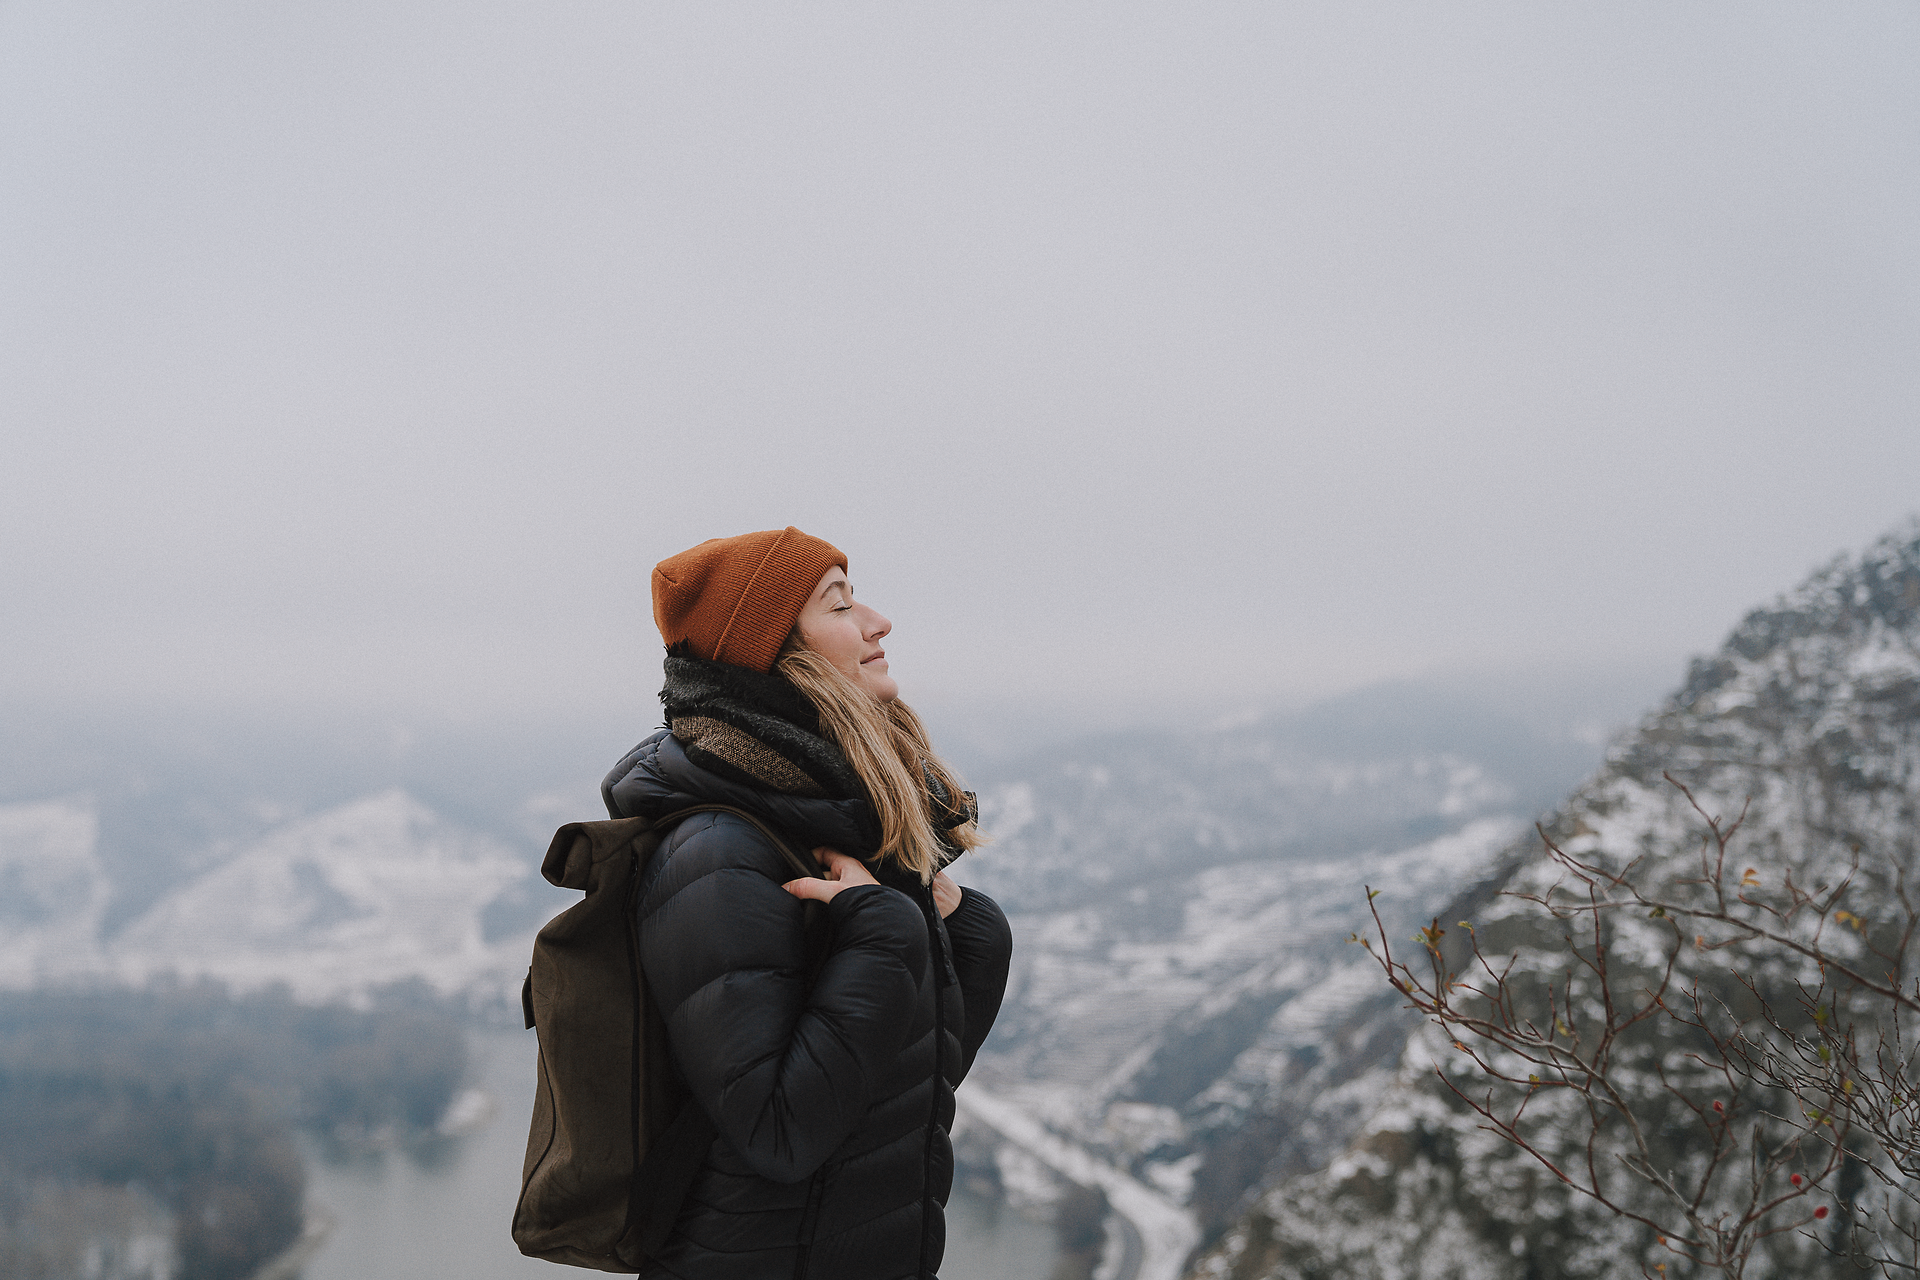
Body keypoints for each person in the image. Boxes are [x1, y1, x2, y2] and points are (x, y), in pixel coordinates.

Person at [601, 526, 1014, 1280]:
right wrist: (888, 934)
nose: (878, 621)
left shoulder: (826, 821)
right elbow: (780, 1132)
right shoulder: (719, 851)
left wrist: (966, 930)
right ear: (776, 657)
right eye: (840, 603)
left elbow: (911, 1087)